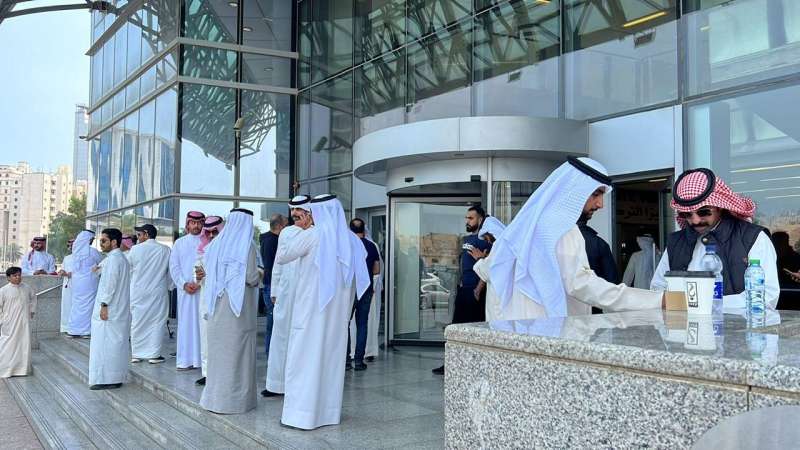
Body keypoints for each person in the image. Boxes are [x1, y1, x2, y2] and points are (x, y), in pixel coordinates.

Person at [489, 157, 664, 320]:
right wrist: (656, 300)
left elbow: (493, 277)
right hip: (549, 331)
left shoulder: (525, 225)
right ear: (574, 189)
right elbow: (582, 284)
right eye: (595, 194)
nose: (600, 204)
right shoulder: (562, 229)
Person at [278, 194, 370, 430]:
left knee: (304, 359)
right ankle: (327, 414)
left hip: (311, 310)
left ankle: (301, 416)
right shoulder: (352, 239)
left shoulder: (313, 234)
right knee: (330, 361)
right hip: (337, 316)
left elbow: (282, 256)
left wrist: (299, 229)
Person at [651, 168, 780, 310]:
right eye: (687, 214)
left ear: (719, 207)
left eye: (703, 212)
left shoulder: (752, 238)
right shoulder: (676, 242)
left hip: (736, 324)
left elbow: (766, 297)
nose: (695, 220)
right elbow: (658, 289)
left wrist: (706, 304)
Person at [197, 209, 261, 414]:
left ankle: (215, 401)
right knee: (238, 358)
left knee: (219, 358)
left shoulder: (215, 244)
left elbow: (205, 274)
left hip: (217, 310)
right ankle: (236, 403)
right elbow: (251, 277)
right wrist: (261, 273)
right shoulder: (246, 246)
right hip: (238, 313)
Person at [433, 205, 490, 375]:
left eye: (471, 218)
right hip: (463, 289)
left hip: (475, 291)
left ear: (480, 219)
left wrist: (478, 289)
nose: (467, 221)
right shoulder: (465, 239)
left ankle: (472, 367)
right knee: (456, 330)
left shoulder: (486, 241)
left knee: (474, 331)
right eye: (466, 218)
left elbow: (488, 267)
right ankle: (451, 364)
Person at [263, 196, 310, 397]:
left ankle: (300, 386)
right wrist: (274, 290)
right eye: (293, 211)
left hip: (307, 295)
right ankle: (277, 384)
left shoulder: (317, 232)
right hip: (286, 293)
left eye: (299, 210)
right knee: (281, 337)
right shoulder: (287, 232)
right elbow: (278, 264)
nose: (295, 214)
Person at [88, 228, 131, 390]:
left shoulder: (114, 260)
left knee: (105, 344)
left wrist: (104, 305)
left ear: (114, 242)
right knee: (114, 343)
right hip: (118, 310)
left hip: (111, 309)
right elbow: (101, 271)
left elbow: (110, 284)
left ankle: (106, 379)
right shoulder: (117, 258)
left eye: (104, 241)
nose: (101, 244)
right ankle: (114, 377)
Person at [128, 224, 172, 364]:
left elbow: (129, 269)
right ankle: (153, 355)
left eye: (139, 235)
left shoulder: (135, 250)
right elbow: (170, 272)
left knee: (137, 322)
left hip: (138, 291)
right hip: (157, 291)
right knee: (157, 322)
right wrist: (170, 286)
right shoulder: (165, 250)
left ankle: (136, 354)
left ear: (146, 234)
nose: (138, 238)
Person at [169, 210, 206, 370]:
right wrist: (184, 284)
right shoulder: (179, 243)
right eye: (193, 222)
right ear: (188, 224)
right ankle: (185, 360)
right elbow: (174, 267)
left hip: (202, 290)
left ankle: (201, 361)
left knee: (202, 325)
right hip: (185, 292)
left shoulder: (208, 242)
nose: (196, 226)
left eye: (199, 223)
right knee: (186, 325)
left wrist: (199, 283)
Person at [345, 217, 381, 371]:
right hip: (366, 289)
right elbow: (377, 269)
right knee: (362, 324)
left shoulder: (346, 244)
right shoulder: (371, 246)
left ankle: (346, 360)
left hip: (349, 289)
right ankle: (359, 361)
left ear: (350, 229)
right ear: (364, 230)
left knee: (345, 323)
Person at [194, 215, 224, 386]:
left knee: (221, 338)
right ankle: (207, 373)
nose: (211, 235)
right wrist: (198, 276)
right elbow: (197, 274)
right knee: (205, 337)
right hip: (206, 299)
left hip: (222, 300)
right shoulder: (202, 251)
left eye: (215, 232)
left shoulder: (228, 249)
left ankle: (220, 372)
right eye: (208, 232)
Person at [0, 267, 36, 378]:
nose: (18, 277)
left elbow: (33, 298)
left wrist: (32, 311)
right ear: (8, 278)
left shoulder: (27, 288)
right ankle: (6, 369)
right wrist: (3, 319)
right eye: (15, 276)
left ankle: (22, 369)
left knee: (24, 343)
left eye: (19, 275)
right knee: (7, 344)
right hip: (9, 323)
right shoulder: (3, 290)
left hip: (24, 321)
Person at [260, 213, 287, 357]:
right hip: (272, 286)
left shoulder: (265, 239)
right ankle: (271, 352)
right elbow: (273, 266)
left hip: (269, 284)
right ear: (280, 226)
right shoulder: (273, 241)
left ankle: (271, 352)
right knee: (273, 321)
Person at [67, 230, 103, 338]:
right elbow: (101, 263)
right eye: (91, 239)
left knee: (77, 305)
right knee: (88, 306)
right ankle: (85, 331)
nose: (92, 241)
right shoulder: (92, 252)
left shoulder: (75, 252)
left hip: (77, 282)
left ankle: (74, 330)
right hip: (89, 282)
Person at [472, 216, 506, 321]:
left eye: (487, 238)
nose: (488, 242)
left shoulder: (500, 247)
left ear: (491, 233)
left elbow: (488, 272)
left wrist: (479, 259)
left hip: (499, 300)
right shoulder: (506, 245)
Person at [772, 232, 800, 310]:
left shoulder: (797, 259)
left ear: (786, 243)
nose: (778, 246)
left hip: (795, 299)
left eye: (781, 243)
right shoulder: (768, 259)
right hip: (773, 300)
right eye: (776, 243)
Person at [58, 239, 75, 333]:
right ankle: (65, 327)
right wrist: (62, 272)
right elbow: (62, 269)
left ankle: (74, 328)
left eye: (72, 245)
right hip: (67, 286)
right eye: (69, 246)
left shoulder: (83, 257)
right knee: (66, 305)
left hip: (78, 285)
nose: (70, 247)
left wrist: (70, 274)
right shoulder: (67, 258)